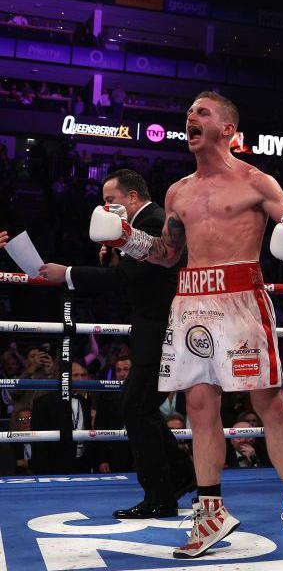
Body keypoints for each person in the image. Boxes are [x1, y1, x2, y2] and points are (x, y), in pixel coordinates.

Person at [87, 91, 283, 562]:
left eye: (202, 112)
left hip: (241, 297)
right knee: (198, 407)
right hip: (192, 300)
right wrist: (129, 237)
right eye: (190, 110)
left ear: (228, 129)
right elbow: (169, 255)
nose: (190, 116)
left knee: (269, 402)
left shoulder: (258, 181)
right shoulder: (178, 191)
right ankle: (210, 512)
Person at [40, 169, 196, 517]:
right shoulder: (138, 228)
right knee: (137, 406)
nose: (105, 207)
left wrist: (66, 273)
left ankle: (162, 494)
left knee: (136, 406)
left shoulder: (155, 221)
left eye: (110, 200)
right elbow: (132, 276)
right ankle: (181, 477)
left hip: (163, 328)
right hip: (154, 327)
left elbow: (126, 277)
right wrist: (114, 252)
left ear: (132, 198)